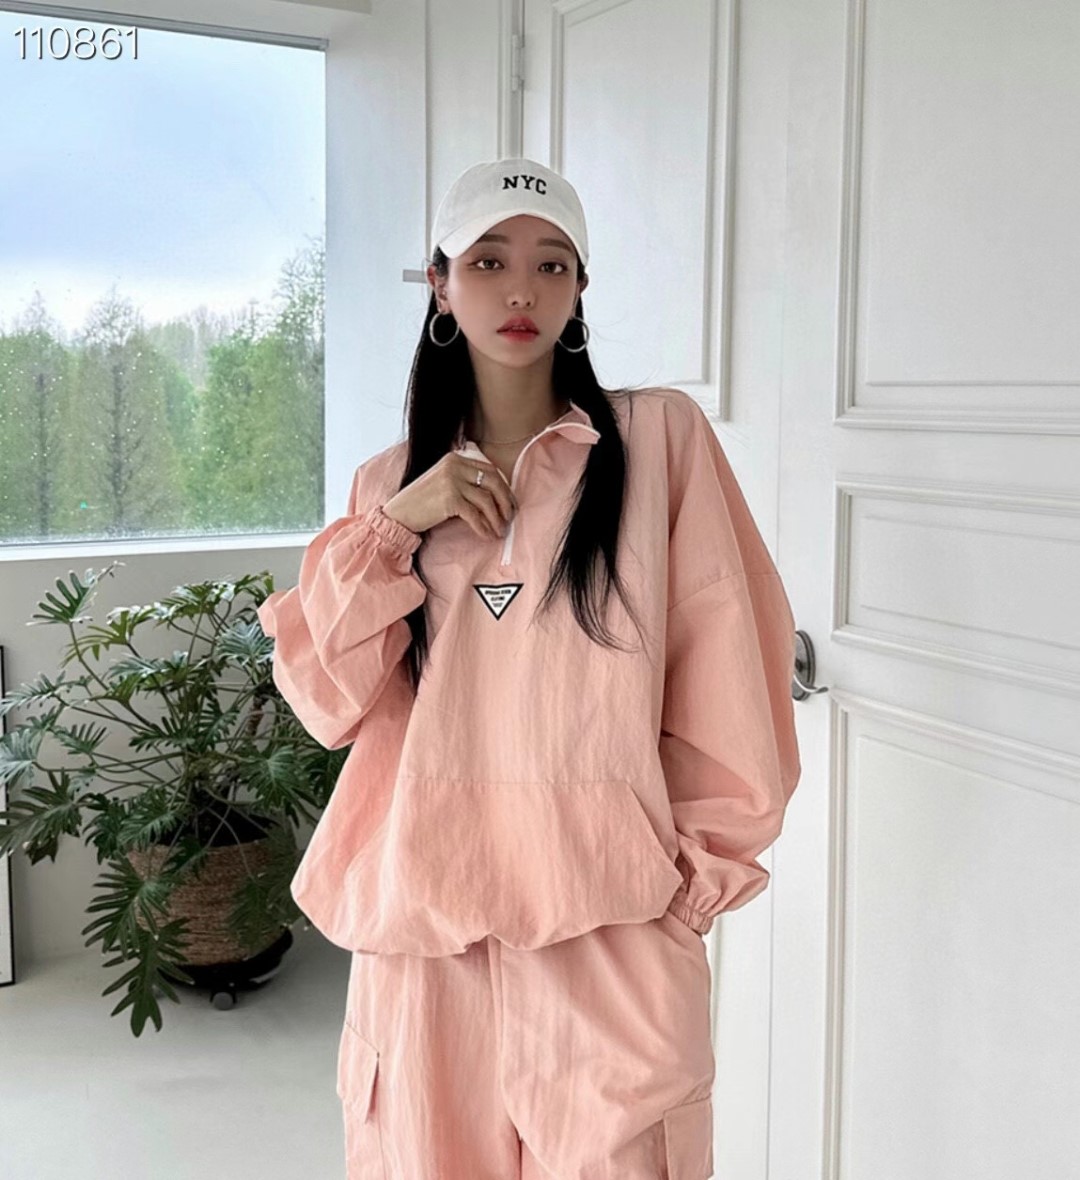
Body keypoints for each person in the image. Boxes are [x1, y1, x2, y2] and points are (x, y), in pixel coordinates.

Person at [256, 157, 802, 1180]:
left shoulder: (656, 442)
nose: (522, 289)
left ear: (581, 288)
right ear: (440, 285)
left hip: (610, 936)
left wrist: (688, 892)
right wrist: (399, 522)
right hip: (427, 950)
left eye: (553, 264)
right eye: (489, 261)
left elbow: (733, 667)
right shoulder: (387, 486)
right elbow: (327, 696)